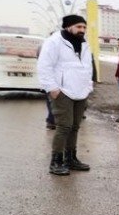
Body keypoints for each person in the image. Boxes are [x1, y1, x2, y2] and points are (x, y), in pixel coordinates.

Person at [37, 15, 94, 176]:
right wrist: (52, 88)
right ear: (68, 27)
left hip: (81, 90)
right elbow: (44, 66)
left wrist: (88, 85)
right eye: (78, 27)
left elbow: (88, 67)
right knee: (64, 126)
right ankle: (56, 161)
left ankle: (71, 159)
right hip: (62, 91)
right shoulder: (54, 42)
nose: (82, 30)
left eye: (84, 27)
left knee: (75, 126)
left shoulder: (84, 44)